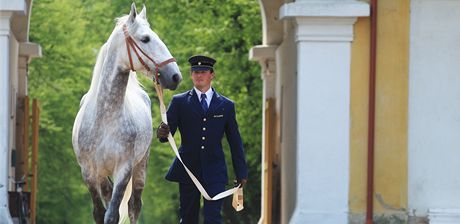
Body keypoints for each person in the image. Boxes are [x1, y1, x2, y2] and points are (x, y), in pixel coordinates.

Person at [156, 55, 248, 224]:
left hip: (215, 171)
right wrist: (161, 132)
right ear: (191, 75)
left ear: (212, 74)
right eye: (195, 72)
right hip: (188, 171)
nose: (199, 75)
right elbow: (166, 134)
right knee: (188, 218)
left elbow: (235, 141)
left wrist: (241, 172)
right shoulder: (179, 102)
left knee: (213, 219)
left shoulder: (226, 105)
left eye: (203, 72)